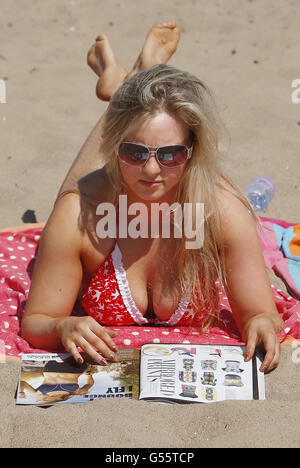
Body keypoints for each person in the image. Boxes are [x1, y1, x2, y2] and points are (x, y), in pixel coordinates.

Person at [21, 22, 283, 373]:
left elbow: (260, 312)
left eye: (171, 154)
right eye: (133, 152)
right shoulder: (80, 214)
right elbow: (37, 320)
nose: (151, 169)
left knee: (142, 125)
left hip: (194, 189)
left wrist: (260, 322)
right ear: (114, 150)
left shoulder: (220, 211)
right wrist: (60, 326)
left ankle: (122, 85)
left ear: (191, 151)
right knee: (72, 197)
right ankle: (122, 89)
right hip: (102, 195)